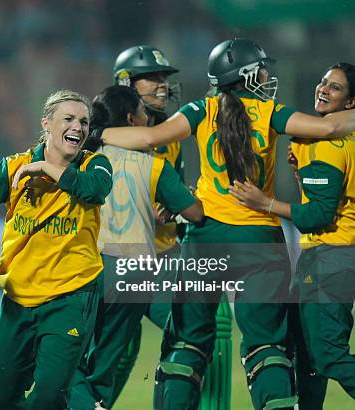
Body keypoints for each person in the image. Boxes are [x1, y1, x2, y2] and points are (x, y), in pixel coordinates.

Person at [98, 38, 355, 409]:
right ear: (248, 76)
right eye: (261, 70)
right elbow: (330, 130)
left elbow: (149, 136)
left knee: (187, 344)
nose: (267, 76)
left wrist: (94, 133)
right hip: (259, 240)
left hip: (205, 240)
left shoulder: (199, 109)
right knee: (267, 345)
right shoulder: (271, 112)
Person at [0, 90, 113, 410]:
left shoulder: (95, 164)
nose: (79, 127)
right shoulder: (14, 166)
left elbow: (95, 191)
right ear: (46, 123)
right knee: (5, 399)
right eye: (69, 119)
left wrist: (47, 170)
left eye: (84, 121)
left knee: (49, 396)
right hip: (17, 301)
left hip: (70, 297)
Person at [111, 45, 233, 410]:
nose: (163, 86)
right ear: (126, 83)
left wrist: (180, 204)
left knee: (206, 326)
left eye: (165, 78)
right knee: (115, 354)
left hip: (163, 258)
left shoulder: (168, 135)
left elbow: (176, 197)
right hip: (117, 264)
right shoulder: (103, 135)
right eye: (153, 78)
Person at [68, 85, 204, 410]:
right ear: (131, 119)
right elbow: (195, 213)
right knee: (105, 367)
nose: (150, 119)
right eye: (144, 113)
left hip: (89, 268)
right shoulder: (154, 165)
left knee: (64, 358)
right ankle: (97, 402)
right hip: (137, 272)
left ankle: (88, 405)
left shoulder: (81, 160)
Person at [228, 62, 355, 407]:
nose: (323, 88)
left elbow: (316, 216)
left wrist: (265, 203)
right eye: (323, 81)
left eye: (335, 87)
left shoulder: (325, 143)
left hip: (331, 257)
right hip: (333, 258)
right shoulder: (328, 139)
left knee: (328, 356)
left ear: (351, 104)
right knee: (309, 358)